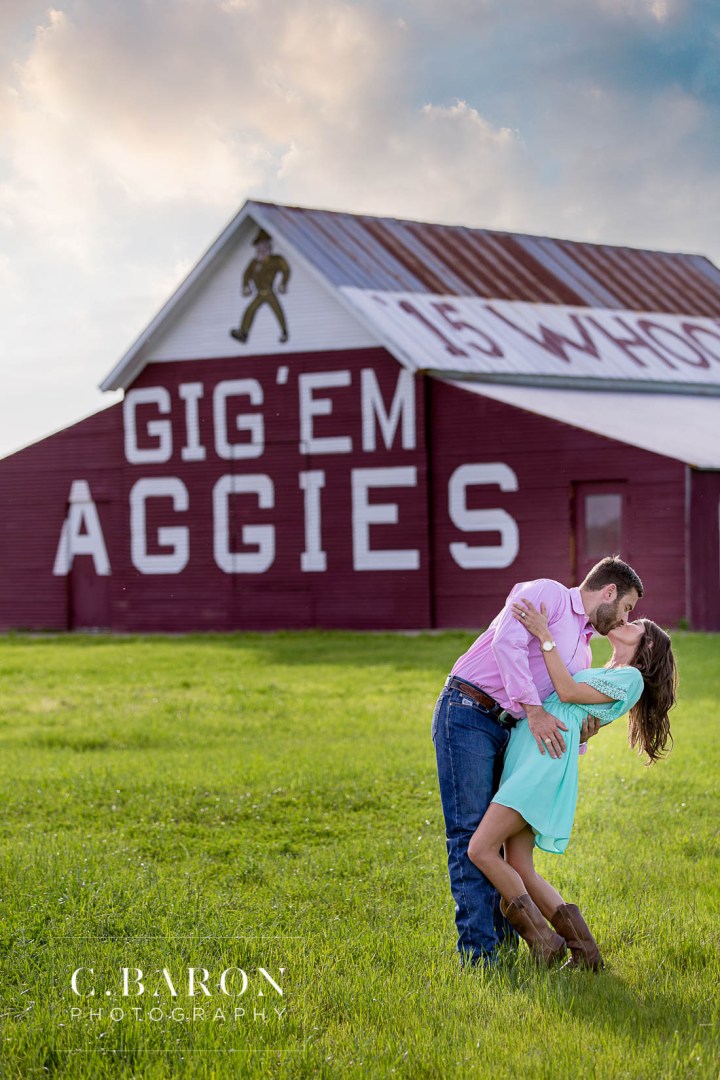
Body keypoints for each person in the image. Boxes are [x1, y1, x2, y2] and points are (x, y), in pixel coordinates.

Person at [432, 556, 644, 967]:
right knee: (469, 835)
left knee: (490, 844)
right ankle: (481, 957)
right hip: (469, 710)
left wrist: (579, 734)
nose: (624, 618)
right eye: (627, 608)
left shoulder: (583, 652)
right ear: (609, 591)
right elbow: (505, 643)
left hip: (513, 736)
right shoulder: (546, 593)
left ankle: (519, 947)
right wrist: (533, 710)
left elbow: (564, 705)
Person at [467, 599, 677, 969]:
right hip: (531, 754)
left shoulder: (632, 679)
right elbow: (575, 711)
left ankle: (545, 940)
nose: (623, 621)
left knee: (481, 849)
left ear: (645, 647)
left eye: (633, 624)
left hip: (542, 764)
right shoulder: (610, 672)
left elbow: (566, 693)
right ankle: (585, 951)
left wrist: (545, 635)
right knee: (520, 864)